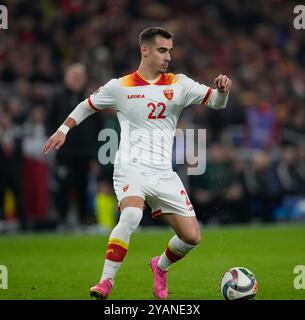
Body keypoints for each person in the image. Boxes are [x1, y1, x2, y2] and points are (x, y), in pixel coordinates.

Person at [42, 27, 232, 300]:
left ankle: (160, 266)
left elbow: (216, 102)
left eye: (170, 50)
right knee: (131, 215)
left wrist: (222, 91)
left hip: (163, 173)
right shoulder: (120, 87)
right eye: (162, 50)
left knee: (192, 238)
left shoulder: (179, 83)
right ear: (145, 50)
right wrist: (63, 130)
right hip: (130, 167)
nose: (168, 56)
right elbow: (86, 105)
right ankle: (106, 282)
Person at [46, 63, 102, 230]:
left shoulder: (91, 99)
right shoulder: (57, 97)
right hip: (64, 152)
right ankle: (62, 220)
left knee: (83, 186)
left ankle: (83, 220)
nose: (77, 80)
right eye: (74, 76)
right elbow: (49, 122)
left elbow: (98, 128)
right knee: (62, 185)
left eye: (80, 77)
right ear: (66, 78)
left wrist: (94, 155)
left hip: (85, 153)